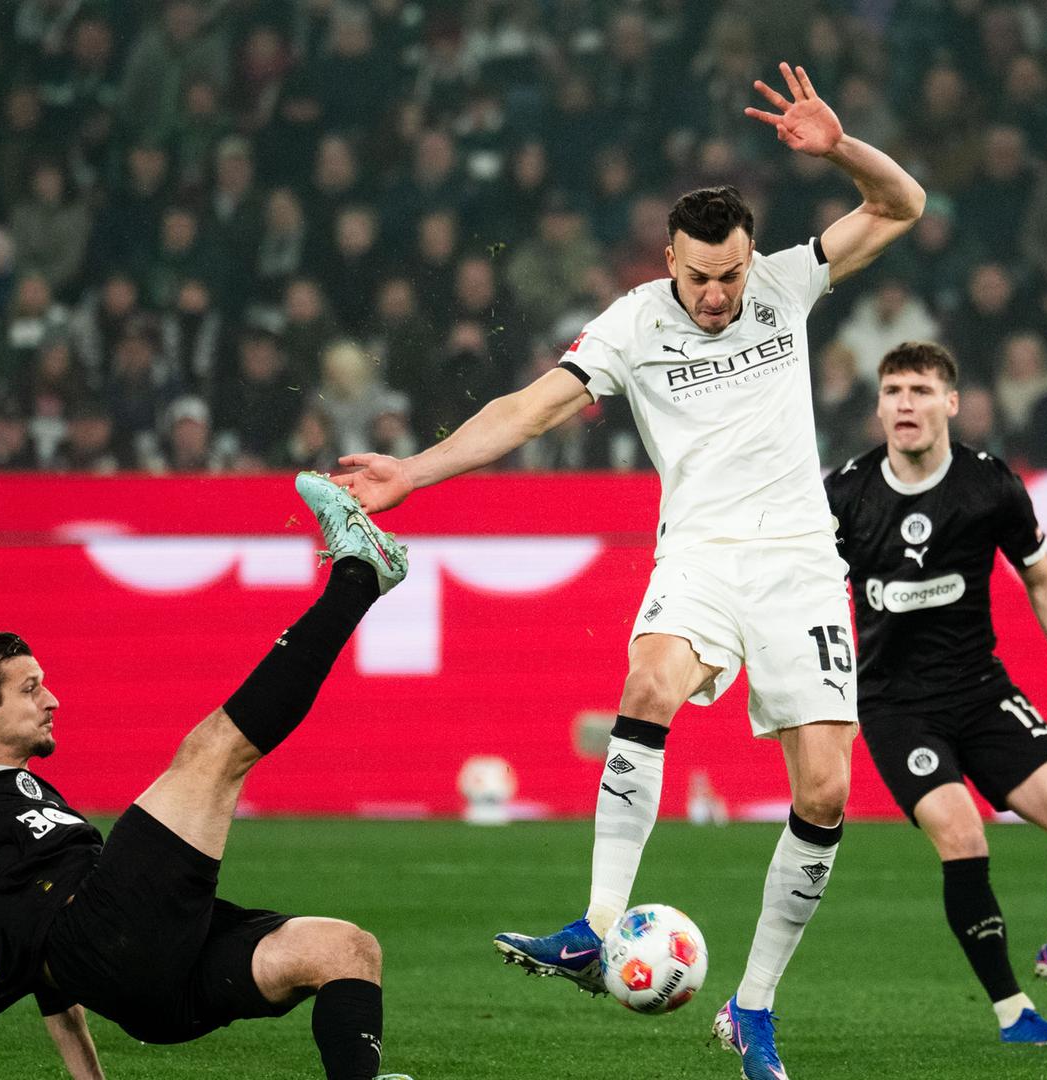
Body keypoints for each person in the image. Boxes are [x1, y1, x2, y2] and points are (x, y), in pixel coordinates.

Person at [329, 61, 923, 1080]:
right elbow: (528, 410)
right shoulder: (633, 323)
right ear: (668, 260)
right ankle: (597, 927)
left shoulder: (786, 284)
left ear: (748, 256)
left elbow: (902, 205)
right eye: (699, 277)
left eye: (730, 274)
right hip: (698, 555)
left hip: (796, 564)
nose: (716, 295)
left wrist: (841, 151)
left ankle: (752, 1007)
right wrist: (413, 474)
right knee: (648, 685)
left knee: (826, 793)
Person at [0, 474, 412, 1080]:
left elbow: (36, 967)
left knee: (347, 950)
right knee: (213, 752)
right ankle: (358, 574)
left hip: (152, 980)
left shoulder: (29, 794)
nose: (52, 700)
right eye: (30, 688)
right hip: (108, 942)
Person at [824, 342, 1047, 1049]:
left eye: (921, 390)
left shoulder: (989, 486)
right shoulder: (846, 495)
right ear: (878, 407)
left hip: (982, 693)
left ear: (951, 404)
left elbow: (1041, 580)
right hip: (897, 707)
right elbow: (802, 595)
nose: (905, 403)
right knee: (962, 835)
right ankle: (1013, 1012)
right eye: (893, 391)